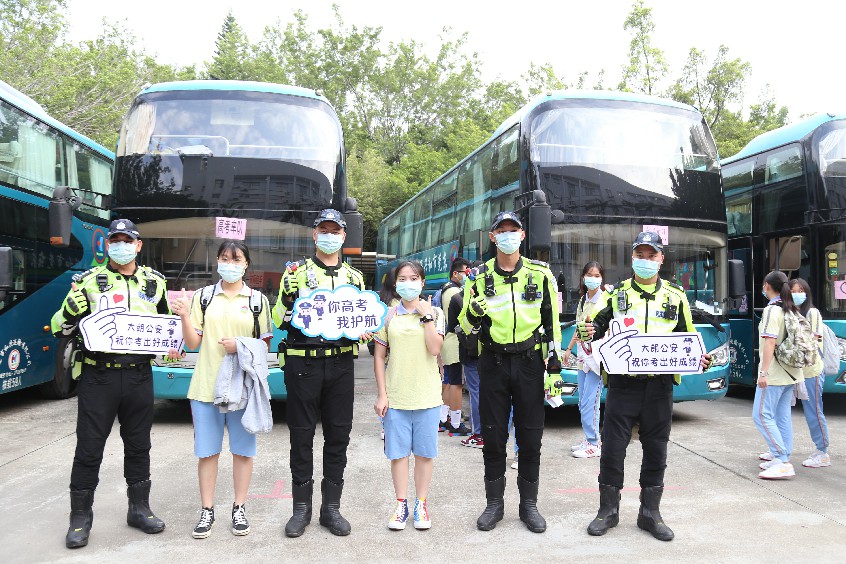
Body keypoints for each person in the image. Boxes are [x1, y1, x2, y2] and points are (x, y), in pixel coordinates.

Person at [578, 231, 712, 541]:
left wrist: (699, 358)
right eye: (640, 255)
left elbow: (689, 341)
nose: (646, 261)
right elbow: (597, 327)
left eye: (652, 256)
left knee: (656, 450)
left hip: (659, 389)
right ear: (632, 258)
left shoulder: (676, 297)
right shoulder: (618, 294)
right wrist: (589, 330)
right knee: (612, 449)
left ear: (661, 259)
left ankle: (650, 513)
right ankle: (607, 511)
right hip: (623, 386)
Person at [51, 219, 168, 549]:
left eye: (126, 240)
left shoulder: (155, 284)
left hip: (139, 376)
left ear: (138, 245)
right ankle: (80, 517)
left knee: (139, 445)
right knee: (89, 448)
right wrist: (70, 311)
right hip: (98, 375)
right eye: (115, 240)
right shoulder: (87, 282)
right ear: (108, 246)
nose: (121, 245)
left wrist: (173, 344)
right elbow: (59, 328)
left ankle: (139, 508)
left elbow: (165, 327)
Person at [458, 211, 562, 533]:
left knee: (531, 436)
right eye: (500, 231)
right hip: (494, 363)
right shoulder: (478, 276)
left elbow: (551, 325)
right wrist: (474, 311)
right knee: (493, 435)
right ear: (492, 237)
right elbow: (463, 324)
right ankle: (494, 504)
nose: (507, 235)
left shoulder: (541, 274)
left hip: (530, 363)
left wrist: (554, 369)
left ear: (522, 235)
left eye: (512, 230)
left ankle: (528, 505)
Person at [271, 209, 366, 538]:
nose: (329, 236)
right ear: (314, 235)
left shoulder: (354, 279)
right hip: (303, 364)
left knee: (338, 435)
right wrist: (288, 297)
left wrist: (365, 329)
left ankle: (331, 509)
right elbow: (279, 320)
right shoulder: (295, 273)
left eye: (335, 231)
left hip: (340, 365)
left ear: (343, 236)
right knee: (301, 436)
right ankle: (301, 510)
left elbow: (360, 323)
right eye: (323, 230)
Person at [170, 241, 273, 539]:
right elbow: (192, 344)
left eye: (236, 259)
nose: (230, 263)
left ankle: (239, 507)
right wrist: (185, 316)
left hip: (242, 388)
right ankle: (207, 510)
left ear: (246, 264)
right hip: (206, 387)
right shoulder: (203, 297)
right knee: (207, 453)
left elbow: (264, 345)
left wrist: (238, 346)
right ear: (217, 261)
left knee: (242, 452)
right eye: (225, 258)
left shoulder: (257, 301)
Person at [373, 261, 445, 530]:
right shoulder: (388, 315)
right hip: (397, 396)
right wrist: (382, 394)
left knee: (425, 454)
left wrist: (426, 317)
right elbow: (379, 357)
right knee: (398, 454)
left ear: (423, 282)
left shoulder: (435, 312)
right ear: (395, 284)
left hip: (427, 396)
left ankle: (421, 504)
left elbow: (435, 349)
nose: (408, 283)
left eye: (414, 278)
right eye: (402, 278)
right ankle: (401, 504)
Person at [752, 271, 805, 480]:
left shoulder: (771, 311)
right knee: (782, 416)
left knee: (761, 415)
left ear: (766, 285)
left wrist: (763, 372)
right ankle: (781, 454)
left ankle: (782, 459)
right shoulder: (791, 308)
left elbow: (769, 342)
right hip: (791, 372)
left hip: (774, 373)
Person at [779, 278, 831, 468]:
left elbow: (813, 340)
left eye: (801, 290)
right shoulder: (786, 312)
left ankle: (822, 451)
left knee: (813, 411)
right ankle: (780, 449)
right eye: (794, 290)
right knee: (781, 411)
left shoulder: (812, 312)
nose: (798, 294)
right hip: (792, 371)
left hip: (811, 371)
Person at [563, 262, 606, 459]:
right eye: (589, 274)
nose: (593, 278)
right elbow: (578, 328)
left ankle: (595, 443)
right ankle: (589, 439)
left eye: (597, 275)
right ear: (583, 277)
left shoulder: (605, 300)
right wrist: (569, 349)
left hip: (596, 360)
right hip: (582, 357)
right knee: (582, 401)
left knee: (591, 401)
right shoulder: (582, 300)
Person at [438, 257, 471, 436]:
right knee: (456, 383)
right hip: (454, 342)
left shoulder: (446, 288)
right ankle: (456, 423)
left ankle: (443, 419)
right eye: (465, 271)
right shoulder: (455, 292)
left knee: (448, 381)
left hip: (447, 342)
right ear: (455, 273)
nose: (467, 274)